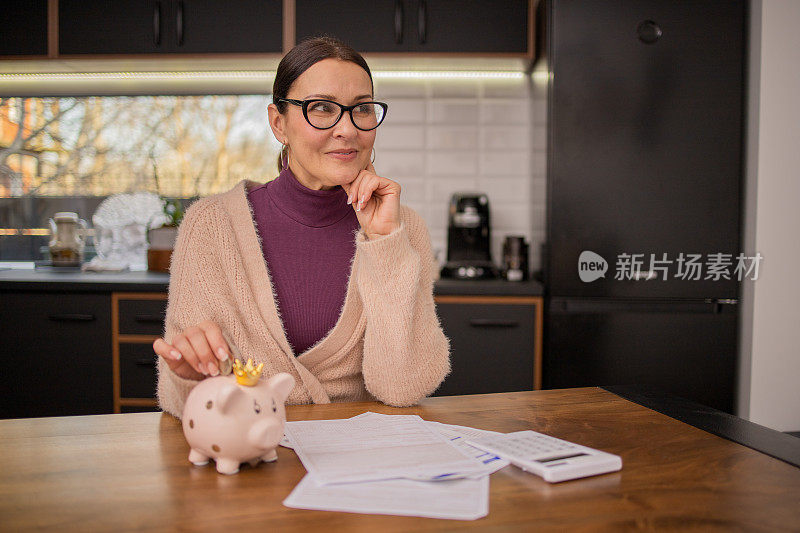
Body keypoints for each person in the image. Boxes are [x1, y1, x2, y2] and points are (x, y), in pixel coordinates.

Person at [153, 36, 450, 417]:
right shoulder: (210, 226)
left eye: (361, 109)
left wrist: (383, 242)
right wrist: (190, 376)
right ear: (279, 123)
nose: (347, 129)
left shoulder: (403, 228)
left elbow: (403, 387)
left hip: (363, 461)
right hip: (249, 453)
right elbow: (184, 403)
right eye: (322, 108)